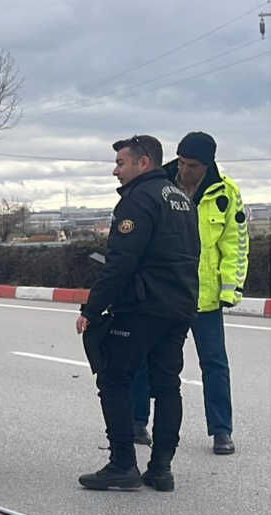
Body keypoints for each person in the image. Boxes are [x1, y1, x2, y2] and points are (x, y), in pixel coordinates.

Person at [76, 135, 199, 492]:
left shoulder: (137, 200)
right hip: (179, 306)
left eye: (121, 163)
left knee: (114, 378)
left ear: (143, 163)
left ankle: (122, 465)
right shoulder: (181, 199)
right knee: (167, 385)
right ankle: (161, 469)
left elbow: (121, 263)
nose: (115, 171)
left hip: (142, 307)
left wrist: (93, 309)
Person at [129, 132, 249, 458]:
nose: (183, 169)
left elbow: (235, 245)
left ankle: (222, 431)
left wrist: (231, 288)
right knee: (144, 357)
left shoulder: (226, 194)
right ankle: (138, 422)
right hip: (163, 294)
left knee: (214, 364)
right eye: (180, 161)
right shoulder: (159, 186)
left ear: (207, 165)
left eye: (191, 165)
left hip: (206, 298)